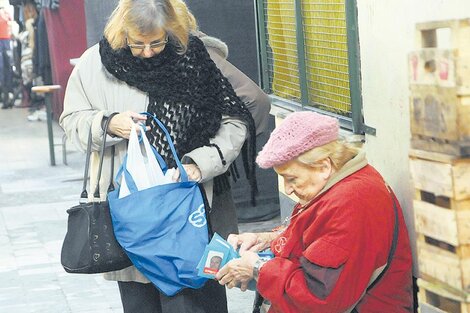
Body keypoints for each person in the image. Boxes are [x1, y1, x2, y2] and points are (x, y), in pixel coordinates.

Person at [59, 0, 270, 312]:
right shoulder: (95, 63)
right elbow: (72, 119)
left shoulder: (195, 58)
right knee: (140, 302)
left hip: (190, 211)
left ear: (172, 30)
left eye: (156, 42)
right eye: (137, 43)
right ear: (121, 32)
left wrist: (202, 161)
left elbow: (240, 115)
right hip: (131, 214)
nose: (147, 51)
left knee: (194, 299)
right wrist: (108, 123)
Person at [216, 111, 413, 312]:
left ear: (323, 166)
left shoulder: (351, 202)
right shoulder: (338, 184)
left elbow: (318, 297)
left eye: (292, 178)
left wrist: (258, 268)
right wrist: (267, 239)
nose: (288, 189)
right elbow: (317, 236)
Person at [0, 5, 12, 109]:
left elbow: (10, 21)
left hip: (6, 41)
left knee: (7, 69)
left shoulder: (5, 12)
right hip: (3, 41)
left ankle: (7, 97)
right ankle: (5, 98)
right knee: (2, 71)